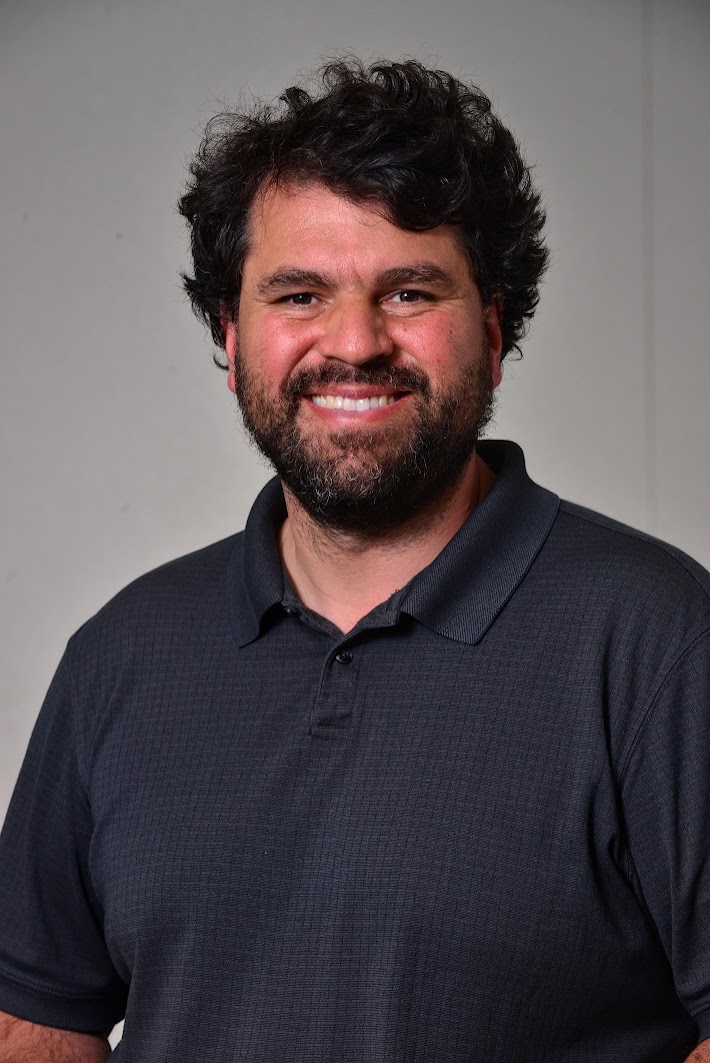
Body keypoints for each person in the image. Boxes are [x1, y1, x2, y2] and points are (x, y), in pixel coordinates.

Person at [0, 57, 708, 1063]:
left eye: (409, 290)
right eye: (299, 294)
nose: (355, 342)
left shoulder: (659, 641)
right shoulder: (121, 655)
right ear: (231, 335)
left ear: (492, 330)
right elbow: (35, 1025)